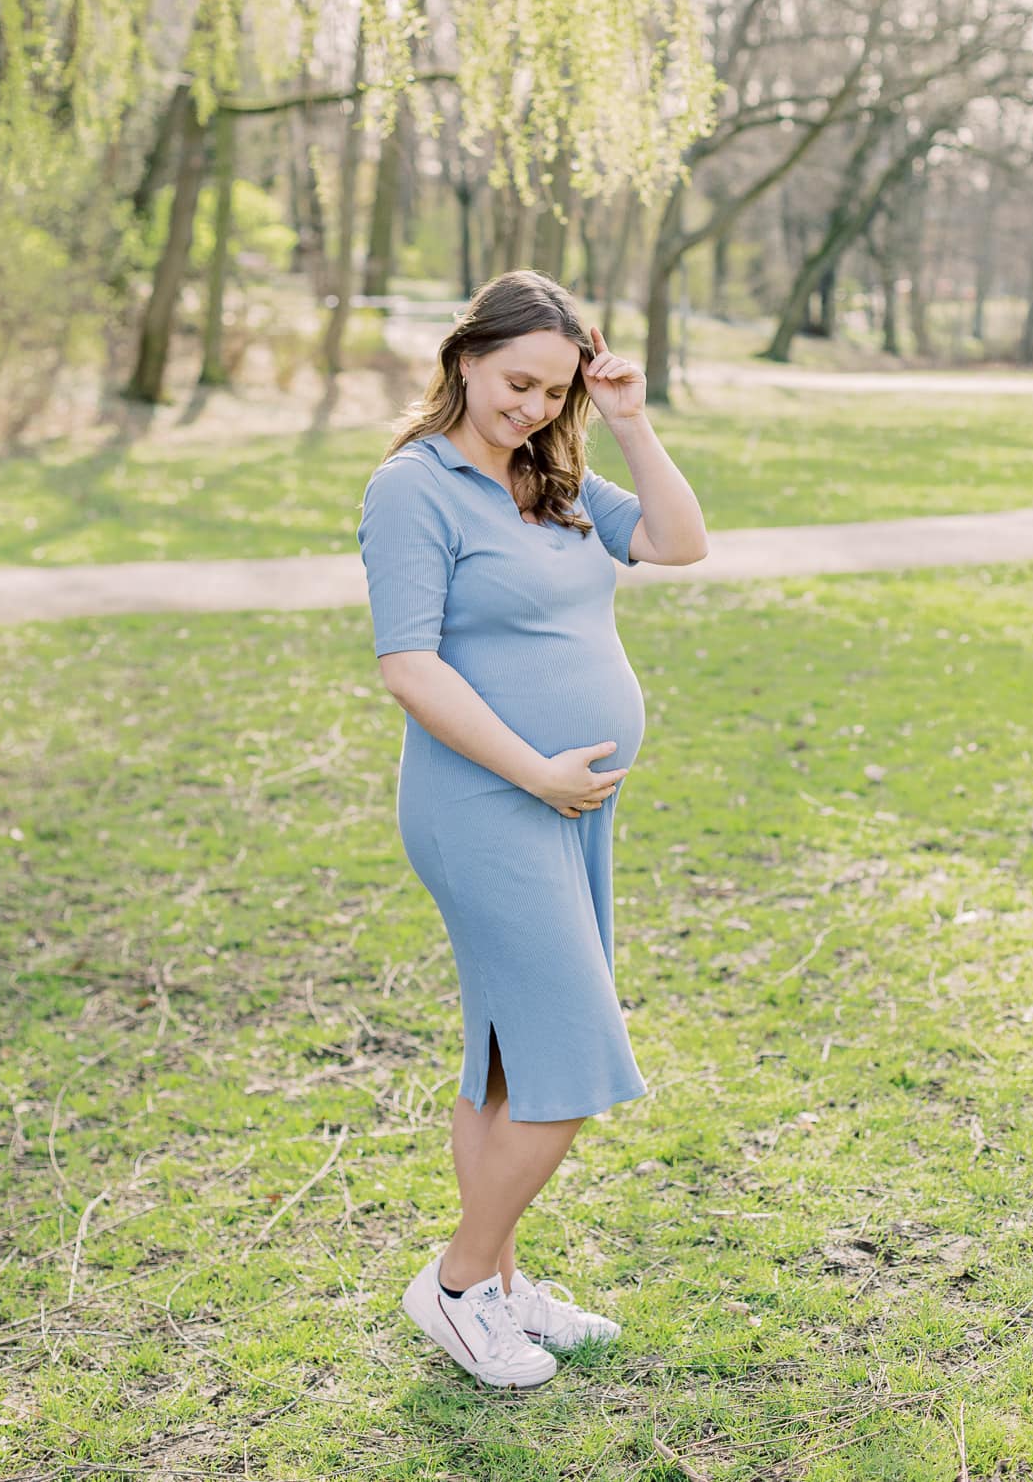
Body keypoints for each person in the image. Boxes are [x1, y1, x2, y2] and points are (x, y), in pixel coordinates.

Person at [356, 269, 708, 1389]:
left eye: (556, 392)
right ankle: (458, 1285)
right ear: (465, 359)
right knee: (570, 1064)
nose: (532, 408)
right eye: (518, 382)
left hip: (569, 805)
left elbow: (680, 541)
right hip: (484, 802)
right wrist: (534, 772)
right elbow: (409, 667)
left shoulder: (551, 484)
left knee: (506, 1061)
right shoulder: (414, 489)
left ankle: (503, 1290)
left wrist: (631, 417)